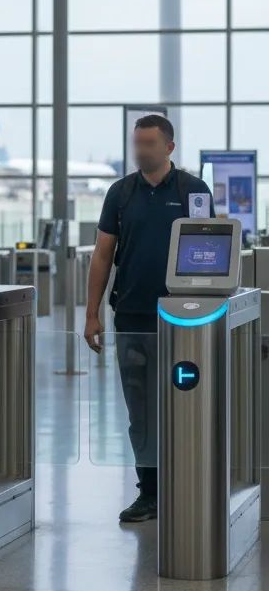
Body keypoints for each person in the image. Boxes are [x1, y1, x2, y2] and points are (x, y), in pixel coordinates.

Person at [85, 114, 214, 523]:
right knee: (140, 408)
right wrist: (92, 313)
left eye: (149, 144)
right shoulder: (121, 193)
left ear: (169, 148)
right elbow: (103, 254)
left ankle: (187, 483)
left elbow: (212, 249)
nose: (141, 151)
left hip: (185, 320)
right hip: (134, 317)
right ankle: (149, 491)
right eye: (137, 143)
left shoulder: (194, 191)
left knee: (185, 402)